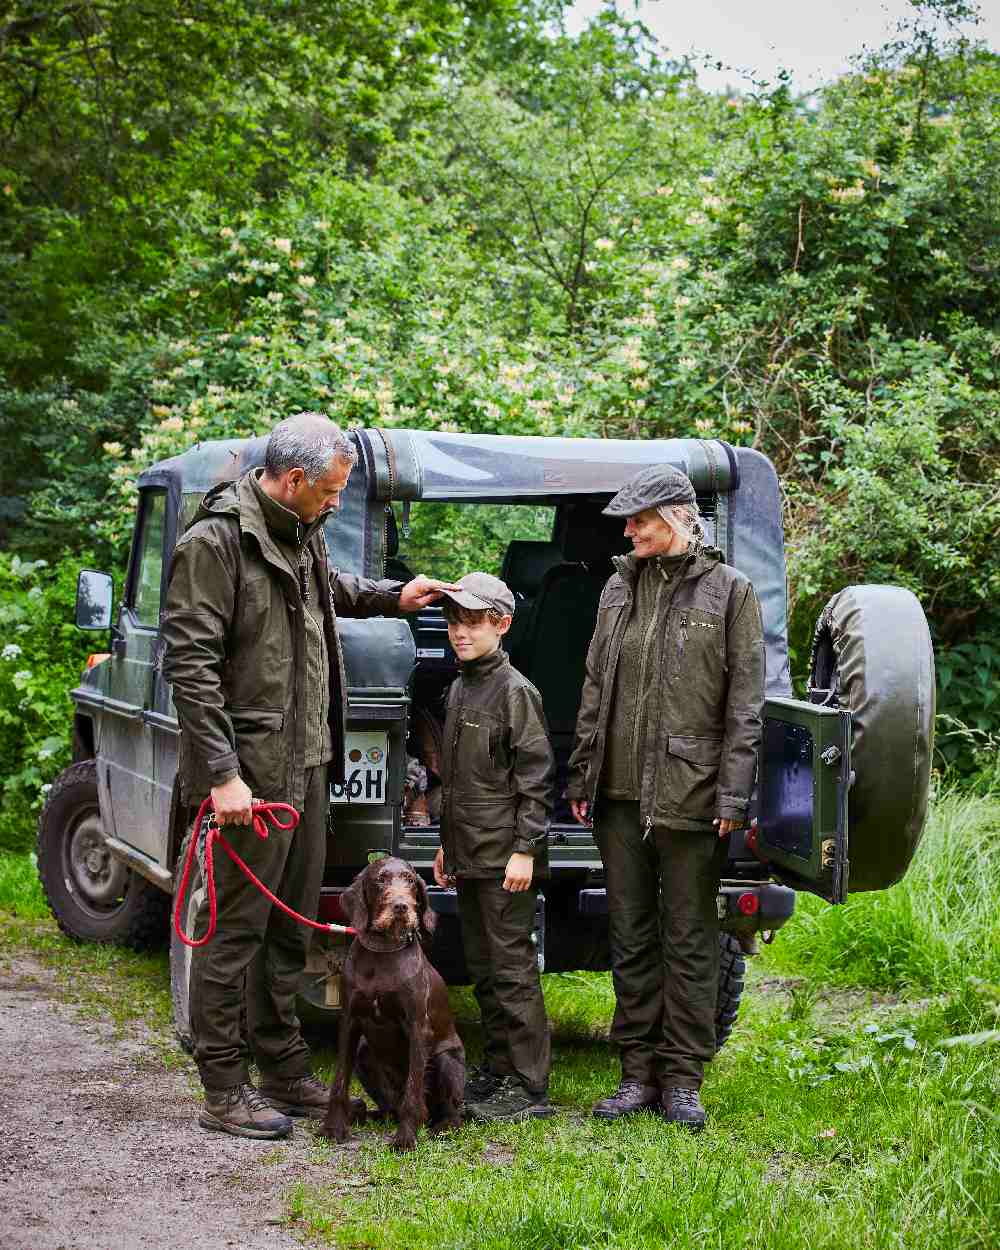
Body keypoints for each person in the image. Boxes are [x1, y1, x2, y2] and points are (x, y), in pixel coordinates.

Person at [162, 412, 456, 1140]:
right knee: (234, 937)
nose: (335, 502)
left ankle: (284, 1069)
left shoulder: (298, 531)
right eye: (329, 491)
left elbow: (328, 589)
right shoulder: (215, 544)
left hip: (305, 770)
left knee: (288, 937)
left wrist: (396, 595)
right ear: (292, 480)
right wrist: (224, 776)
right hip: (249, 782)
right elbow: (190, 666)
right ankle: (225, 1088)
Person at [567, 463, 764, 1131]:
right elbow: (595, 688)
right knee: (631, 935)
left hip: (692, 792)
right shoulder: (617, 590)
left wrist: (733, 795)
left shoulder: (730, 593)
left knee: (689, 937)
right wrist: (583, 773)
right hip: (617, 794)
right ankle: (636, 1074)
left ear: (679, 518)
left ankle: (683, 1078)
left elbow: (745, 707)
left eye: (640, 521)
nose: (629, 531)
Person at [431, 573, 556, 1123]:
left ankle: (529, 1088)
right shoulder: (460, 687)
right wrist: (445, 848)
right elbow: (457, 782)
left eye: (474, 622)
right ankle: (498, 1070)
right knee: (483, 967)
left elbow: (535, 777)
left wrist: (525, 849)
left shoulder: (516, 692)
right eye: (455, 621)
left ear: (501, 625)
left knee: (512, 969)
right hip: (470, 855)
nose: (461, 632)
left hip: (507, 859)